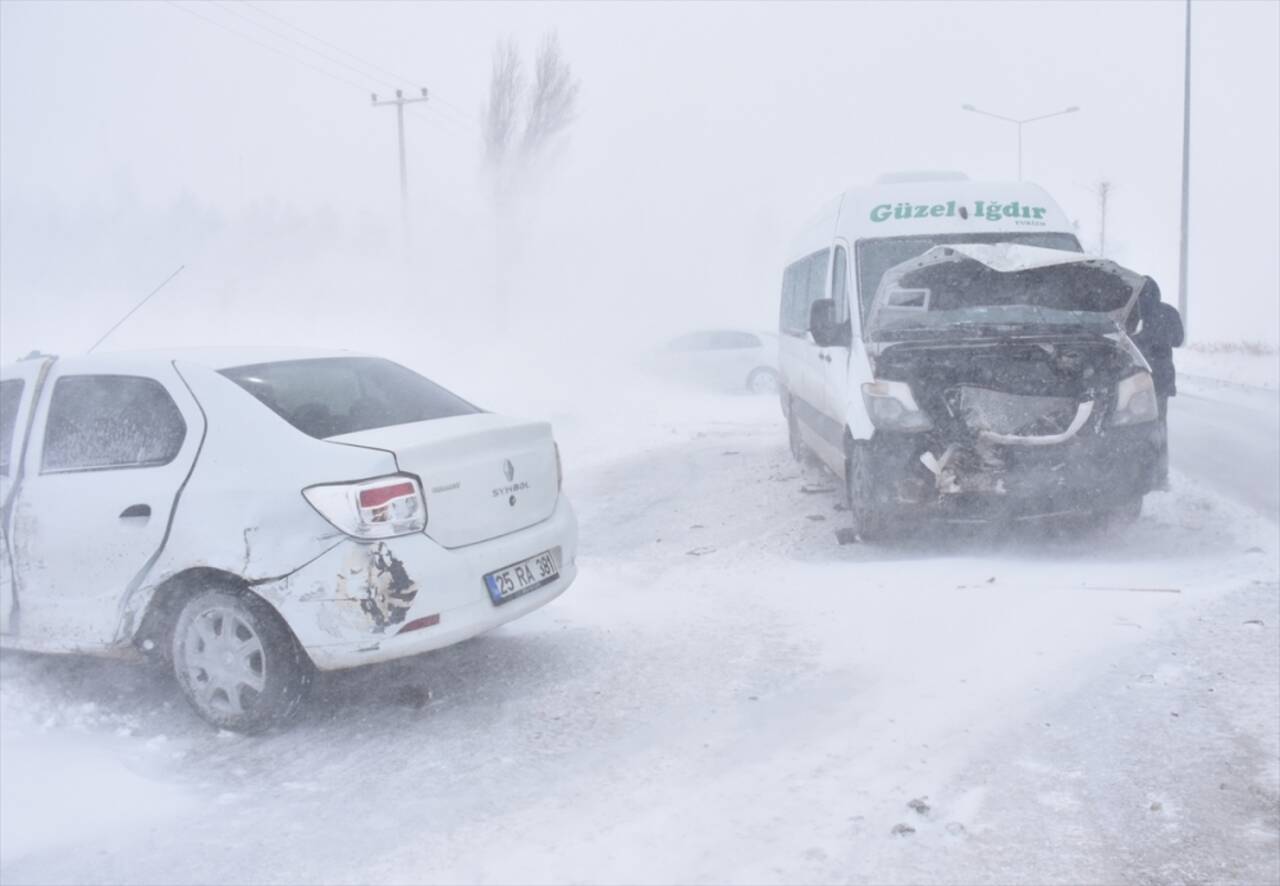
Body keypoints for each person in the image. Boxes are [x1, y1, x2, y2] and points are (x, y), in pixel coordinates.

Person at [1131, 276, 1184, 488]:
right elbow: (1178, 340)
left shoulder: (1133, 312)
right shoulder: (1169, 312)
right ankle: (1160, 476)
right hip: (1162, 377)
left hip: (1137, 377)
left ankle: (1139, 475)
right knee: (1160, 426)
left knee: (1136, 428)